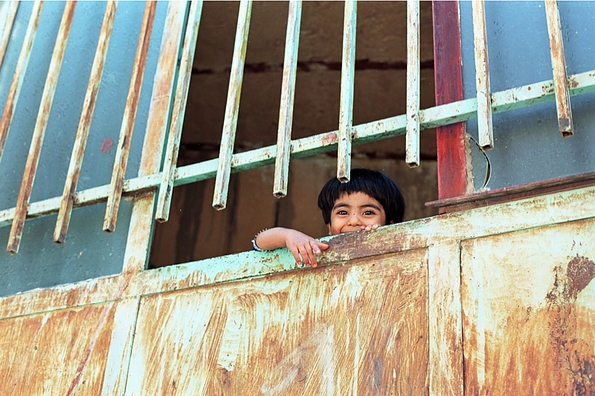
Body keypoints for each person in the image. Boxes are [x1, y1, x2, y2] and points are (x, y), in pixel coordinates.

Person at [252, 168, 405, 268]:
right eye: (343, 213)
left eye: (368, 213)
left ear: (390, 223)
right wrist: (288, 235)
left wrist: (384, 236)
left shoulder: (399, 255)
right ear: (329, 227)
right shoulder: (318, 251)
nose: (354, 221)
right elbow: (260, 244)